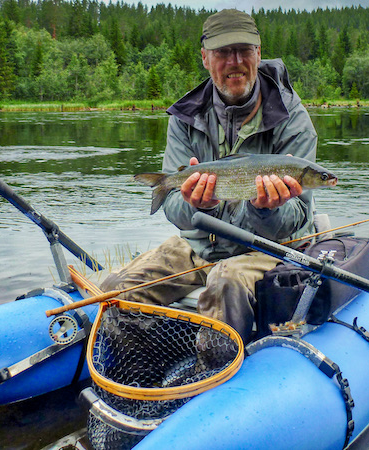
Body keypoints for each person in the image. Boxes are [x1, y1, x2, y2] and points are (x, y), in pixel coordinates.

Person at [100, 9, 319, 344]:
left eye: (244, 51)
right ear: (205, 58)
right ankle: (145, 376)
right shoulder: (185, 117)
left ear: (258, 54)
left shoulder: (293, 120)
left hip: (269, 249)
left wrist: (266, 209)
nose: (235, 62)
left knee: (224, 283)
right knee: (116, 291)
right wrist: (196, 206)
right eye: (222, 52)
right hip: (200, 245)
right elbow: (175, 209)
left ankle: (219, 376)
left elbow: (298, 218)